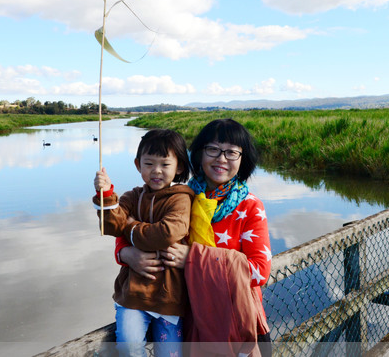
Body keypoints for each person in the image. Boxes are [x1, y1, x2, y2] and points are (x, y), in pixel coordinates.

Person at [116, 119, 272, 356]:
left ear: (243, 159)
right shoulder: (178, 198)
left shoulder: (250, 207)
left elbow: (260, 270)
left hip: (236, 320)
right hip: (191, 320)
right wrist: (125, 253)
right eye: (213, 149)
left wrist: (194, 258)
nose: (221, 159)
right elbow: (135, 227)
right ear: (198, 154)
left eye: (231, 152)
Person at [93, 129, 194, 357]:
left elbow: (167, 233)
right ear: (138, 165)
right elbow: (109, 226)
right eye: (149, 164)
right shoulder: (132, 196)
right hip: (133, 297)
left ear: (178, 167)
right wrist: (107, 193)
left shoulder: (181, 197)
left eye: (165, 164)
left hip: (170, 298)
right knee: (129, 349)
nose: (156, 171)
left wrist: (129, 228)